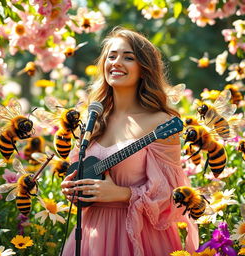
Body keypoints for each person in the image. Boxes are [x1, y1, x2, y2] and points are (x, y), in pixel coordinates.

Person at [61, 26, 199, 256]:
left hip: (140, 236)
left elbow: (172, 194)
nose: (116, 62)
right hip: (89, 235)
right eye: (111, 56)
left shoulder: (161, 122)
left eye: (128, 57)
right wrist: (74, 188)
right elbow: (82, 173)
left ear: (144, 69)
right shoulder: (94, 119)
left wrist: (122, 194)